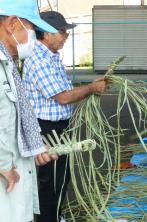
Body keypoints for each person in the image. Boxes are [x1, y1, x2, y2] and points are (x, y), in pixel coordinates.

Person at [23, 11, 107, 222]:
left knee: (61, 177)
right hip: (46, 129)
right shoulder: (39, 60)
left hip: (59, 126)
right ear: (47, 33)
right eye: (62, 32)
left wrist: (90, 88)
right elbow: (63, 97)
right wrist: (91, 88)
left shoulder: (51, 58)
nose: (65, 36)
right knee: (49, 181)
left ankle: (55, 216)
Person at [0, 0, 59, 221]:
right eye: (33, 30)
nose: (33, 39)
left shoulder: (8, 64)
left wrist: (33, 146)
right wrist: (4, 163)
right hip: (7, 179)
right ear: (12, 24)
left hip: (14, 175)